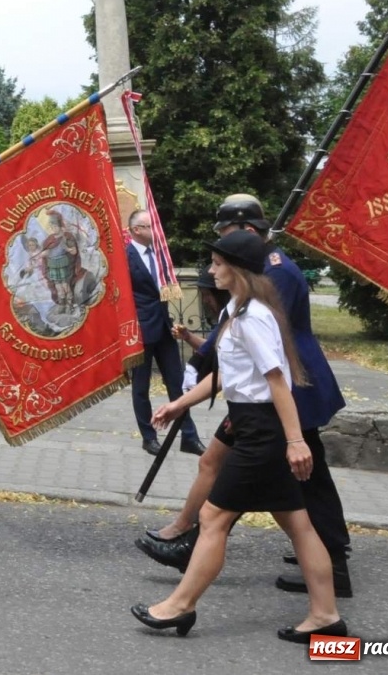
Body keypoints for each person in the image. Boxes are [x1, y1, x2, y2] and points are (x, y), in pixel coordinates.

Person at [130, 230, 344, 643]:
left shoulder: (253, 318)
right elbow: (229, 376)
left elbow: (277, 381)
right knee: (299, 524)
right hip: (252, 424)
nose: (211, 271)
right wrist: (179, 404)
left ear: (238, 270)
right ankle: (325, 616)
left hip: (261, 433)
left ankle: (180, 606)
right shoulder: (238, 311)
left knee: (213, 518)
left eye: (217, 264)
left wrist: (295, 441)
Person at [127, 209, 204, 457]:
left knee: (176, 382)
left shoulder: (160, 255)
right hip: (140, 330)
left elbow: (165, 289)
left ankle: (189, 436)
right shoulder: (125, 256)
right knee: (141, 387)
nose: (156, 231)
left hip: (164, 327)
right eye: (150, 226)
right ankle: (149, 437)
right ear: (136, 230)